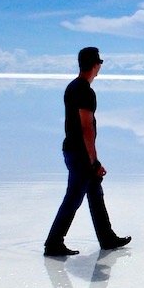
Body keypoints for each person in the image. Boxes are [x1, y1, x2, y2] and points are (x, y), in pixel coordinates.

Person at [43, 46, 131, 256]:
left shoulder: (73, 87)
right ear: (94, 65)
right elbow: (86, 127)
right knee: (74, 197)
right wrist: (94, 161)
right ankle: (53, 243)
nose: (100, 66)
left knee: (94, 192)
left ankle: (107, 238)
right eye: (99, 63)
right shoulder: (84, 91)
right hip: (80, 154)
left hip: (73, 151)